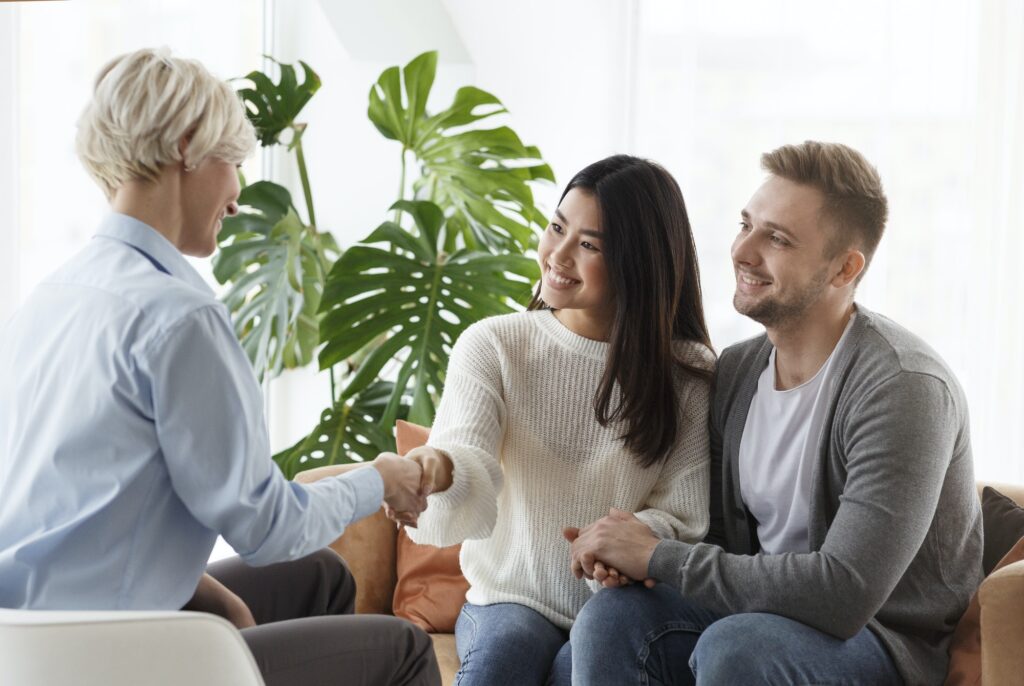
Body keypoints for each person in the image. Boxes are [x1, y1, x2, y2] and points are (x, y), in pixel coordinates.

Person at [0, 48, 440, 686]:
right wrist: (380, 479)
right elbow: (266, 527)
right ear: (186, 147)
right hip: (113, 658)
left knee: (318, 575)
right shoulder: (178, 316)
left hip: (27, 645)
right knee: (401, 650)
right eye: (232, 163)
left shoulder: (53, 295)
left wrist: (207, 594)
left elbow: (84, 509)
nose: (236, 198)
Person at [567, 141, 983, 685]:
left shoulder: (904, 388)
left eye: (778, 239)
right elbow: (718, 538)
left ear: (844, 268)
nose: (743, 251)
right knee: (613, 616)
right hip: (759, 620)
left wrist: (658, 557)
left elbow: (844, 593)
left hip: (881, 643)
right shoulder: (739, 370)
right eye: (746, 224)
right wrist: (630, 543)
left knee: (739, 647)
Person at [390, 154, 716, 685]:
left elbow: (682, 514)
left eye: (589, 245)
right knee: (506, 656)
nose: (557, 256)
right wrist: (437, 466)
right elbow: (466, 458)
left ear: (639, 262)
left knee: (582, 662)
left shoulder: (688, 373)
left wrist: (625, 546)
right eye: (556, 228)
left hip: (618, 608)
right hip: (507, 600)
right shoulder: (494, 344)